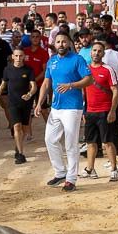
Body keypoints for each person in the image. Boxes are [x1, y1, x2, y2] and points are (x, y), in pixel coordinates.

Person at [37, 33, 92, 192]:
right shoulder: (52, 60)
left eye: (64, 42)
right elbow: (46, 82)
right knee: (50, 139)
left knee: (70, 143)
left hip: (72, 107)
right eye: (58, 41)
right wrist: (40, 103)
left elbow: (89, 79)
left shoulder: (77, 59)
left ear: (69, 44)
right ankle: (60, 172)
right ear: (54, 43)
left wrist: (71, 85)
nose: (60, 44)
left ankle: (71, 179)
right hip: (56, 108)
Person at [0, 47, 37, 164]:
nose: (19, 58)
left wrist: (29, 94)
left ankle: (18, 145)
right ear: (13, 57)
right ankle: (20, 154)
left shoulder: (28, 70)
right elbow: (2, 85)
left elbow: (34, 86)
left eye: (21, 56)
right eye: (17, 56)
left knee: (25, 129)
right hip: (13, 103)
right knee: (16, 127)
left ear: (24, 57)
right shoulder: (7, 70)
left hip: (26, 103)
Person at [82, 41, 118, 182]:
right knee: (90, 142)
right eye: (94, 50)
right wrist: (84, 111)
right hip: (90, 112)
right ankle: (90, 169)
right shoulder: (85, 70)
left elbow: (115, 91)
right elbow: (83, 92)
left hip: (105, 111)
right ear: (90, 52)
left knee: (107, 142)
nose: (96, 53)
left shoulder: (108, 70)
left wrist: (112, 111)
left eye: (99, 51)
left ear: (103, 54)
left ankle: (114, 170)